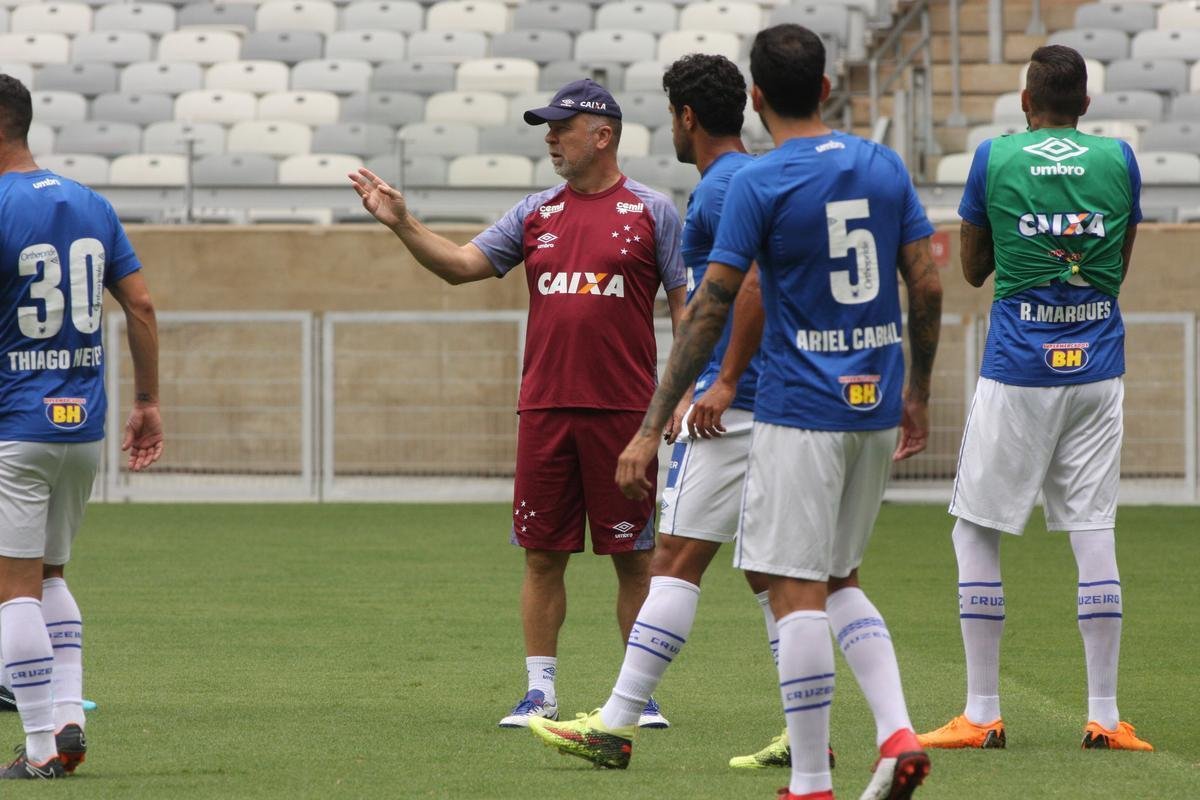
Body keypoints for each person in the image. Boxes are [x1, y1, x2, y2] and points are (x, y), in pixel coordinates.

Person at [531, 26, 943, 800]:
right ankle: (891, 735)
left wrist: (686, 404)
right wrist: (917, 391)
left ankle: (805, 774)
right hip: (873, 401)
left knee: (770, 582)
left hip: (786, 406)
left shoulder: (748, 183)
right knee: (831, 578)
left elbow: (724, 299)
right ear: (826, 88)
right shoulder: (882, 164)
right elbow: (926, 281)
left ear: (755, 99)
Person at [350, 78, 687, 729]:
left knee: (633, 556)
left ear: (603, 135)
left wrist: (683, 392)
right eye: (547, 128)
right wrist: (403, 223)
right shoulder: (535, 211)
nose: (551, 139)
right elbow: (460, 265)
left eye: (562, 127)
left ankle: (638, 694)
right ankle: (539, 692)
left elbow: (685, 306)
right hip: (545, 411)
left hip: (625, 416)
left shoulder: (653, 211)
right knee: (541, 554)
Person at [917, 45, 1151, 753]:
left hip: (1019, 366)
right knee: (1093, 528)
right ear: (1086, 104)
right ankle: (1105, 715)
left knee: (975, 531)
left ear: (1026, 101)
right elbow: (1116, 268)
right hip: (1097, 364)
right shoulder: (1119, 159)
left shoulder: (996, 157)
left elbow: (973, 268)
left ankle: (982, 711)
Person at [0, 73, 163, 779]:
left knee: (12, 587)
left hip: (13, 424)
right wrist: (147, 400)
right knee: (51, 574)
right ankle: (68, 717)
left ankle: (39, 748)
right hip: (80, 426)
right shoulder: (92, 202)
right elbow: (142, 305)